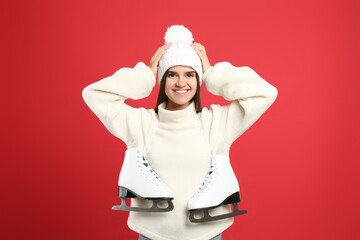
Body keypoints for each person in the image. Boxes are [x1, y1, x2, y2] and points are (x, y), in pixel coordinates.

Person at [82, 25, 277, 240]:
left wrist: (212, 74)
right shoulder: (140, 123)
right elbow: (94, 94)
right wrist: (145, 76)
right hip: (152, 236)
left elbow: (265, 93)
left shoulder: (216, 122)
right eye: (172, 74)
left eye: (190, 75)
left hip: (208, 235)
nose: (181, 83)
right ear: (162, 79)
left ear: (198, 80)